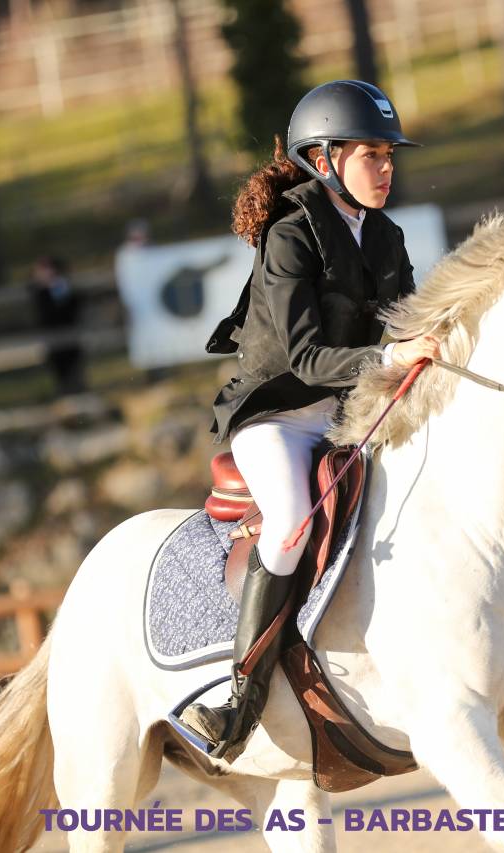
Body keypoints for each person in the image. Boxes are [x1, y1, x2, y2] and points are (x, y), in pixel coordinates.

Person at [180, 80, 441, 759]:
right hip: (277, 412)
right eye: (372, 155)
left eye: (390, 156)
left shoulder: (386, 235)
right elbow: (305, 354)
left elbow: (407, 321)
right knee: (294, 519)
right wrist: (391, 353)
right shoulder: (290, 236)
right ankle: (242, 694)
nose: (386, 169)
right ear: (324, 160)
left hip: (346, 411)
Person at [28, 255, 85, 396]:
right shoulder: (38, 290)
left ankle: (78, 393)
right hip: (50, 335)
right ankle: (64, 395)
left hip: (69, 333)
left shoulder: (63, 286)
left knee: (74, 366)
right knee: (58, 369)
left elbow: (74, 307)